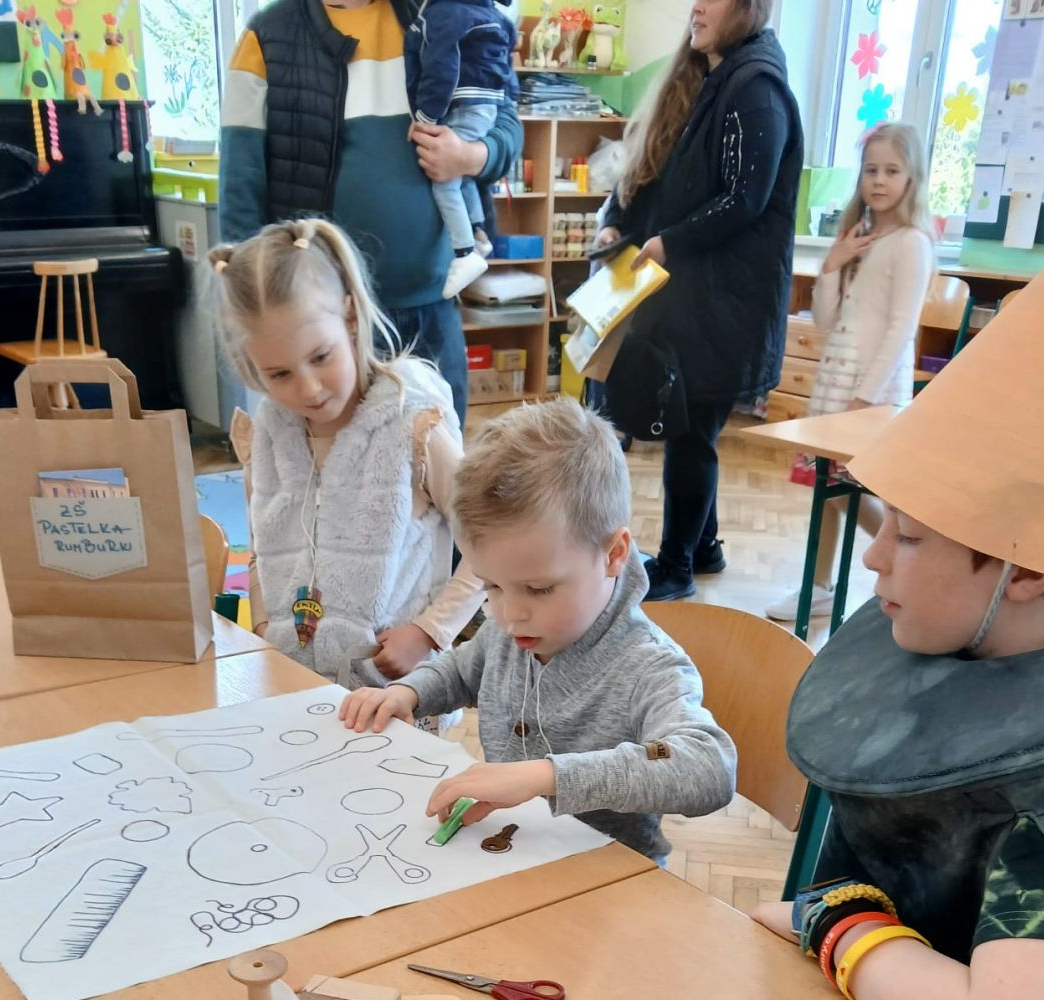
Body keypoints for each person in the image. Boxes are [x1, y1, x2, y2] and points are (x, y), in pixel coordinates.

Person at [754, 206, 1044, 1000]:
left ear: (1026, 568)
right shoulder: (964, 634)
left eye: (909, 537)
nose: (874, 558)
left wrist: (834, 921)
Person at [338, 398, 737, 861]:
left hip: (606, 879)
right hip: (508, 856)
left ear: (613, 554)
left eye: (539, 589)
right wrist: (408, 692)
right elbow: (461, 671)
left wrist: (544, 777)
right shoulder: (510, 631)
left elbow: (709, 765)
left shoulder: (647, 665)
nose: (510, 615)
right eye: (491, 586)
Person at [211, 218, 485, 690]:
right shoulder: (266, 439)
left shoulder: (415, 429)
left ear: (351, 317)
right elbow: (262, 550)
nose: (309, 389)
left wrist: (428, 633)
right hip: (297, 689)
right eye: (279, 374)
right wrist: (264, 625)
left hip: (397, 697)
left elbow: (492, 542)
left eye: (321, 357)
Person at [219, 0, 523, 422]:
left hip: (431, 307)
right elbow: (241, 181)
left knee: (440, 452)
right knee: (334, 457)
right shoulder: (266, 35)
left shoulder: (439, 11)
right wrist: (249, 308)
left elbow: (506, 122)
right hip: (320, 325)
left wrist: (472, 156)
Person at [596, 0, 802, 601]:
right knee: (691, 427)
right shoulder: (707, 78)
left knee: (691, 435)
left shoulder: (756, 89)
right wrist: (617, 221)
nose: (696, 6)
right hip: (691, 299)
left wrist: (669, 242)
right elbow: (653, 173)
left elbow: (744, 199)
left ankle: (678, 565)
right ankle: (704, 547)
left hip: (725, 306)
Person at [767, 124, 934, 623]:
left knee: (853, 492)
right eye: (870, 170)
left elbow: (902, 328)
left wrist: (865, 397)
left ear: (912, 177)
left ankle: (918, 569)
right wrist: (832, 264)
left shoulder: (911, 243)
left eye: (891, 171)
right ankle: (819, 587)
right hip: (835, 387)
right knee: (828, 489)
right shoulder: (859, 239)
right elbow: (824, 320)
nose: (878, 181)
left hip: (871, 394)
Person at [403, 0, 517, 300]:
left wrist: (426, 117)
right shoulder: (492, 15)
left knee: (446, 184)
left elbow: (442, 68)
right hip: (482, 104)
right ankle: (479, 234)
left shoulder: (442, 13)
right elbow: (507, 75)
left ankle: (465, 252)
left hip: (465, 104)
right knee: (461, 179)